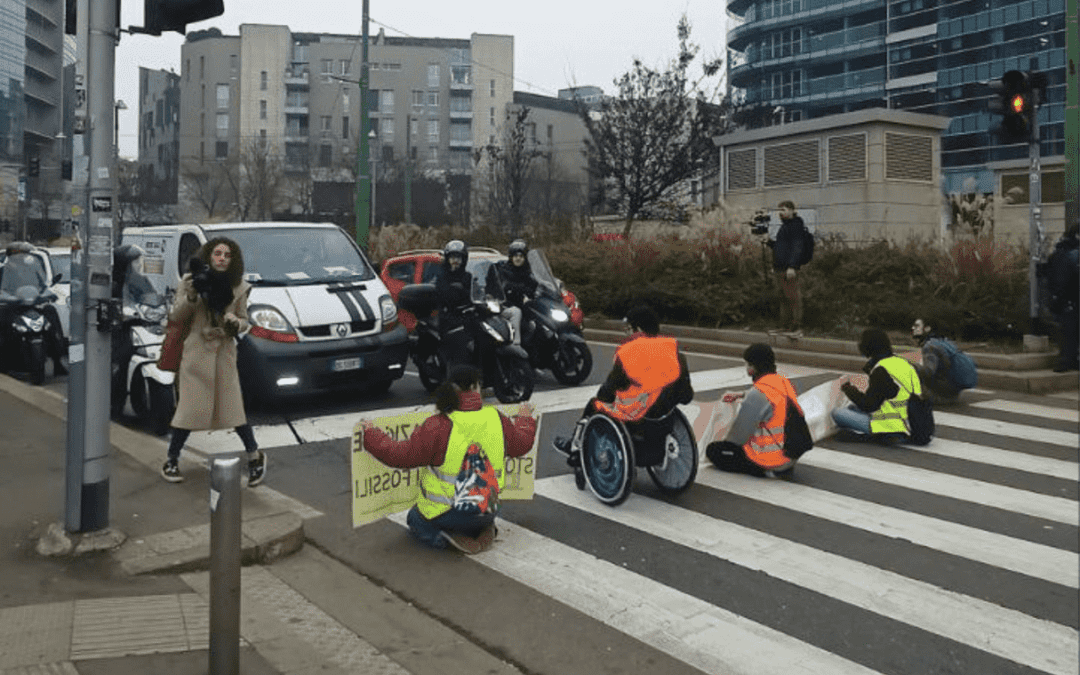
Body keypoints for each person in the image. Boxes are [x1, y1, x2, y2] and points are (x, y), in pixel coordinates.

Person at [359, 365, 537, 553]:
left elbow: (400, 455)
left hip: (450, 513)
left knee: (415, 518)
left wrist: (371, 434)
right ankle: (484, 528)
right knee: (478, 513)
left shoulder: (439, 425)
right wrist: (525, 419)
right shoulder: (496, 418)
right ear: (477, 388)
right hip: (488, 509)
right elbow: (522, 444)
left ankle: (445, 538)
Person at [161, 237, 265, 486]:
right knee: (188, 410)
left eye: (227, 255)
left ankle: (254, 456)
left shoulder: (239, 286)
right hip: (196, 352)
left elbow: (244, 321)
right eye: (217, 253)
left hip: (223, 353)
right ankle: (171, 459)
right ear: (209, 256)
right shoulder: (188, 282)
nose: (222, 258)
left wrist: (234, 322)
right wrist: (193, 297)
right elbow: (176, 315)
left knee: (234, 410)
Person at [553, 305, 693, 463]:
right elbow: (686, 396)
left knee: (594, 404)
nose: (625, 333)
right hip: (664, 420)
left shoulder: (628, 352)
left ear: (637, 329)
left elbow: (607, 392)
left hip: (635, 420)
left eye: (628, 329)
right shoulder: (675, 352)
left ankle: (575, 446)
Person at [705, 343, 803, 477]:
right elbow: (772, 399)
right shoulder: (783, 382)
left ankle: (764, 470)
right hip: (791, 456)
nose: (746, 368)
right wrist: (742, 394)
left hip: (771, 460)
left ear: (752, 367)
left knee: (714, 450)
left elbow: (737, 438)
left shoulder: (757, 394)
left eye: (747, 364)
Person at [832, 328, 923, 442]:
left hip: (891, 427)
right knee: (852, 408)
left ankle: (875, 436)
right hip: (915, 424)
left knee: (837, 413)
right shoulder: (904, 363)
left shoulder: (881, 370)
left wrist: (850, 390)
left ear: (870, 346)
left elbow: (869, 405)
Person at [0, 242, 67, 375]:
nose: (25, 257)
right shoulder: (3, 270)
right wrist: (6, 298)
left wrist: (48, 294)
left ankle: (57, 361)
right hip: (12, 306)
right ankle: (4, 363)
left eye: (27, 254)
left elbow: (43, 285)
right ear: (12, 255)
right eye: (22, 254)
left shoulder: (34, 270)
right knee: (3, 317)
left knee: (50, 311)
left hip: (33, 304)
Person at [485, 239, 538, 346]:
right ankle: (515, 344)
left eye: (521, 256)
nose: (518, 258)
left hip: (521, 308)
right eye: (515, 256)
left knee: (534, 325)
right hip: (502, 307)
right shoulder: (501, 270)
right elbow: (496, 287)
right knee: (516, 312)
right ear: (511, 257)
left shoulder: (527, 273)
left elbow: (534, 288)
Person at [767, 200, 809, 336]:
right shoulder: (785, 227)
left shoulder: (796, 225)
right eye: (780, 211)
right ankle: (785, 327)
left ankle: (797, 328)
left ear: (791, 210)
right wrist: (768, 242)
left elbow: (797, 247)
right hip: (780, 268)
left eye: (783, 210)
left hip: (788, 269)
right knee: (784, 298)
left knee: (793, 298)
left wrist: (792, 266)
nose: (781, 213)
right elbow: (780, 248)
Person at [911, 317, 977, 402]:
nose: (913, 328)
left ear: (927, 328)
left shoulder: (930, 346)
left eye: (916, 326)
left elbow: (928, 371)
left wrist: (911, 366)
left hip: (940, 395)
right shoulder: (946, 342)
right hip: (954, 394)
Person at [434, 240, 475, 369]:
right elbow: (444, 295)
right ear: (447, 259)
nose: (455, 261)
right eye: (452, 257)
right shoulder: (442, 277)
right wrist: (458, 291)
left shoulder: (468, 276)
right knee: (459, 339)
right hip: (449, 316)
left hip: (466, 314)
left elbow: (475, 293)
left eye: (458, 257)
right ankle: (454, 371)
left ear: (464, 259)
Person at [1044, 224, 1079, 372]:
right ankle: (1066, 361)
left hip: (1068, 299)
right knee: (1069, 330)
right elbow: (1061, 280)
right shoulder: (1067, 254)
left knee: (1070, 331)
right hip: (1068, 300)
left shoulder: (1064, 252)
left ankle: (1069, 360)